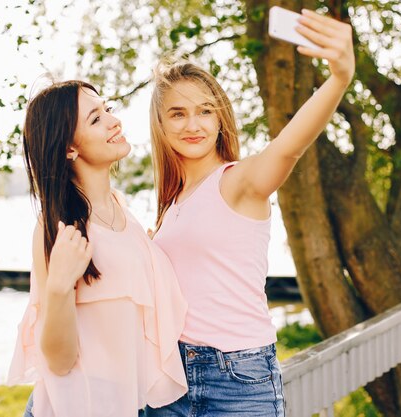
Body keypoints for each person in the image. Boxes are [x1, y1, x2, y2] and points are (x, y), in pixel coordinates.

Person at [145, 8, 355, 417]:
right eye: (178, 113)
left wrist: (338, 78)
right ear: (160, 124)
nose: (194, 124)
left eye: (205, 110)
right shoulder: (172, 202)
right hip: (170, 378)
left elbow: (288, 146)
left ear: (221, 118)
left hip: (237, 379)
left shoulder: (239, 181)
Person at [7, 80, 188, 417]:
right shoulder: (61, 229)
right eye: (95, 119)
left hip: (128, 403)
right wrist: (59, 286)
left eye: (107, 109)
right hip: (79, 404)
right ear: (68, 149)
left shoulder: (122, 209)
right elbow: (59, 361)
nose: (113, 121)